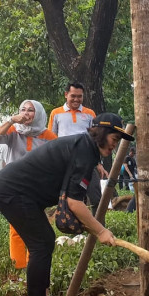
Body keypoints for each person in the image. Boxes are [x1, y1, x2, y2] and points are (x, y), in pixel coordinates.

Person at [0, 113, 134, 296]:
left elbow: (73, 198)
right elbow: (75, 204)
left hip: (21, 192)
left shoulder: (84, 148)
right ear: (102, 134)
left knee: (44, 241)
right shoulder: (84, 150)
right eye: (114, 139)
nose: (115, 145)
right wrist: (101, 231)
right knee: (41, 243)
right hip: (12, 191)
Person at [0, 100, 57, 269]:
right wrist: (12, 120)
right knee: (16, 227)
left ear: (39, 114)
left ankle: (33, 264)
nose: (26, 113)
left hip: (37, 188)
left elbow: (57, 157)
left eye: (31, 110)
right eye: (23, 109)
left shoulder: (48, 136)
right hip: (13, 186)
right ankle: (18, 266)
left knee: (37, 225)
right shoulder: (14, 131)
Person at [48, 82, 108, 215]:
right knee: (69, 198)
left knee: (96, 196)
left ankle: (97, 228)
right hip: (65, 162)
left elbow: (96, 140)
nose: (76, 99)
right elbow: (51, 138)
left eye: (79, 96)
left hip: (88, 161)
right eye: (73, 96)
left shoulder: (89, 113)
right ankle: (72, 227)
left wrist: (98, 163)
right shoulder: (56, 113)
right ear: (66, 95)